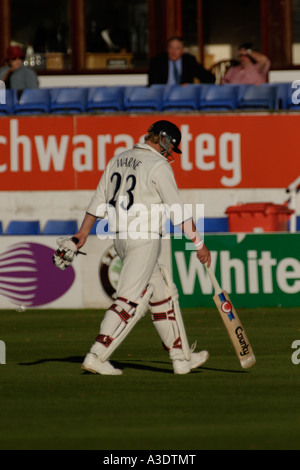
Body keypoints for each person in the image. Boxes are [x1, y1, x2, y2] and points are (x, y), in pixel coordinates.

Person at [53, 120, 211, 376]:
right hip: (145, 238)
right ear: (162, 139)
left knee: (163, 294)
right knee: (128, 300)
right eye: (170, 147)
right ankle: (97, 354)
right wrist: (198, 242)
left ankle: (180, 359)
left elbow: (98, 199)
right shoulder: (158, 166)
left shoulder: (119, 158)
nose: (169, 153)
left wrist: (83, 232)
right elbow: (177, 209)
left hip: (120, 238)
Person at [148, 36, 215, 86]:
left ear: (182, 51)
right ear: (167, 49)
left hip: (183, 95)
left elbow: (209, 78)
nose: (173, 51)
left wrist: (192, 87)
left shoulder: (189, 60)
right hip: (164, 95)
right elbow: (152, 84)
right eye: (171, 48)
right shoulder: (158, 61)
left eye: (177, 48)